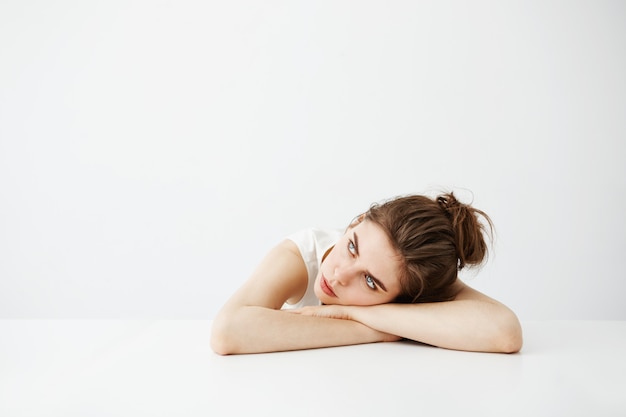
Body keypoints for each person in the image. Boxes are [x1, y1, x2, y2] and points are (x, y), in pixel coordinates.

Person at [210, 192, 523, 355]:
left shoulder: (412, 279)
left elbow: (504, 332)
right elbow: (228, 331)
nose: (339, 275)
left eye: (370, 281)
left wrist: (348, 312)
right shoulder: (303, 254)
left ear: (404, 297)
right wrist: (368, 330)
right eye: (351, 247)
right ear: (356, 221)